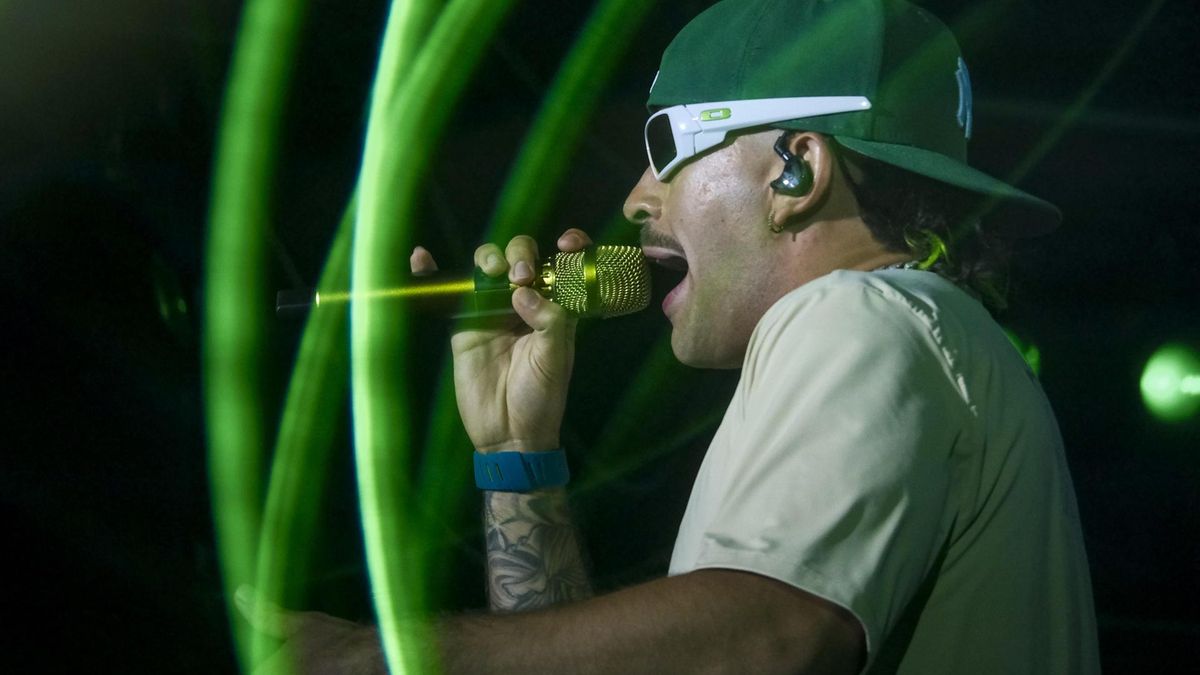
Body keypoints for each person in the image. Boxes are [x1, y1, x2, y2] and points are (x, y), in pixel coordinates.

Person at [239, 0, 1100, 672]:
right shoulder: (927, 339)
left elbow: (768, 643)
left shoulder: (862, 316)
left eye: (666, 142)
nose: (637, 198)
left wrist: (381, 656)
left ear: (796, 167)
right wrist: (516, 454)